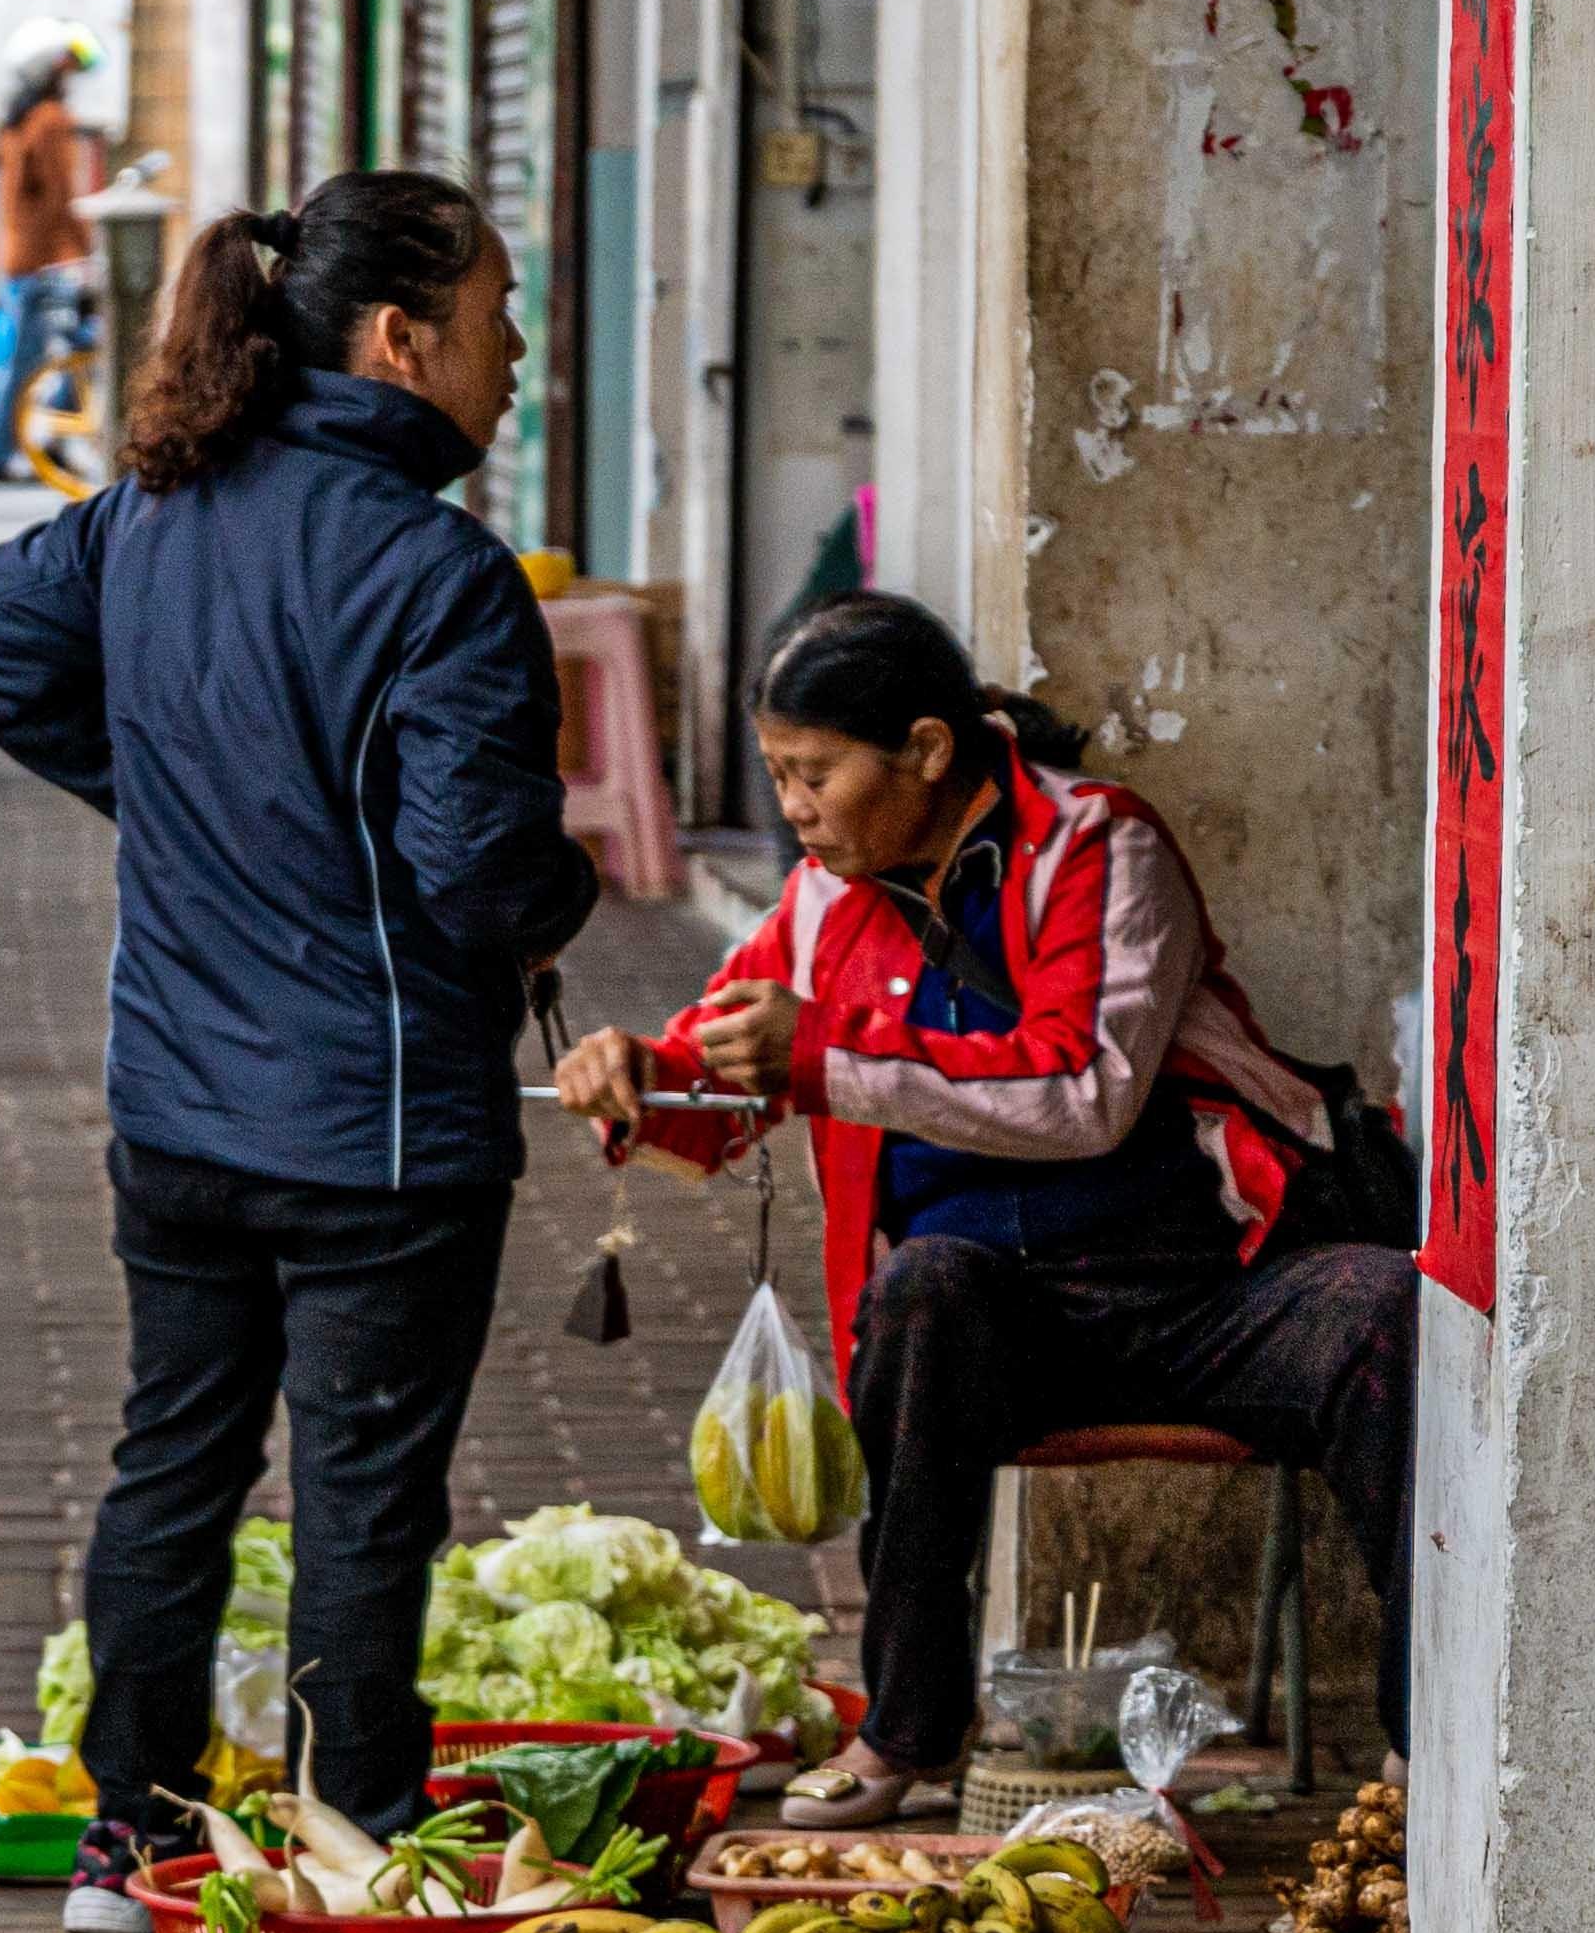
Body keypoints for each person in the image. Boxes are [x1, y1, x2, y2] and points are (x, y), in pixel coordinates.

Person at [0, 172, 593, 1933]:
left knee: (175, 1463)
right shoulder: (440, 574)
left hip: (176, 1109)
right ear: (399, 340)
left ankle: (125, 1844)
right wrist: (565, 887)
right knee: (360, 1500)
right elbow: (472, 873)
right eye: (494, 321)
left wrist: (178, 793)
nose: (515, 359)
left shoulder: (155, 506)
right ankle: (347, 1849)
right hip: (376, 1133)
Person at [548, 590, 1412, 1824]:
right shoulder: (818, 903)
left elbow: (1087, 1087)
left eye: (814, 774)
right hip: (1005, 1327)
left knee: (1387, 1312)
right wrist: (632, 1073)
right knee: (922, 1288)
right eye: (778, 777)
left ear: (928, 751)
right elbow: (726, 1070)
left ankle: (1417, 1748)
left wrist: (827, 1055)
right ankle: (907, 1733)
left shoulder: (1101, 849)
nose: (791, 809)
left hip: (1204, 1292)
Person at [0, 39, 101, 486]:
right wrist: (83, 248)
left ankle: (22, 447)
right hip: (51, 261)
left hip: (21, 258)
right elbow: (63, 195)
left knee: (30, 358)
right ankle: (22, 447)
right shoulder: (51, 121)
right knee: (66, 350)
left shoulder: (15, 123)